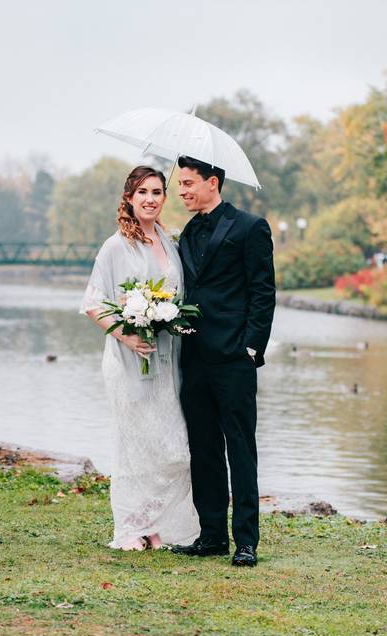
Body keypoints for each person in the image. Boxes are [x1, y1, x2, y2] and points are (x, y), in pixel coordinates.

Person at [80, 165, 200, 551]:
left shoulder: (168, 241)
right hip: (128, 359)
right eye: (143, 192)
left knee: (171, 445)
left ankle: (156, 522)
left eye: (157, 192)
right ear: (129, 198)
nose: (150, 199)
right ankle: (132, 527)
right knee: (136, 444)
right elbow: (92, 303)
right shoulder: (116, 246)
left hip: (167, 361)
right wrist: (127, 336)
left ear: (164, 199)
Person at [170, 155, 276, 567]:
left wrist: (251, 347)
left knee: (240, 448)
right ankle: (211, 535)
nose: (181, 191)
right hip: (193, 356)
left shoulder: (251, 227)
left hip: (234, 358)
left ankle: (246, 541)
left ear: (212, 182)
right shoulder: (187, 232)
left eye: (188, 183)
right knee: (204, 448)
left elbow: (263, 291)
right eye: (179, 184)